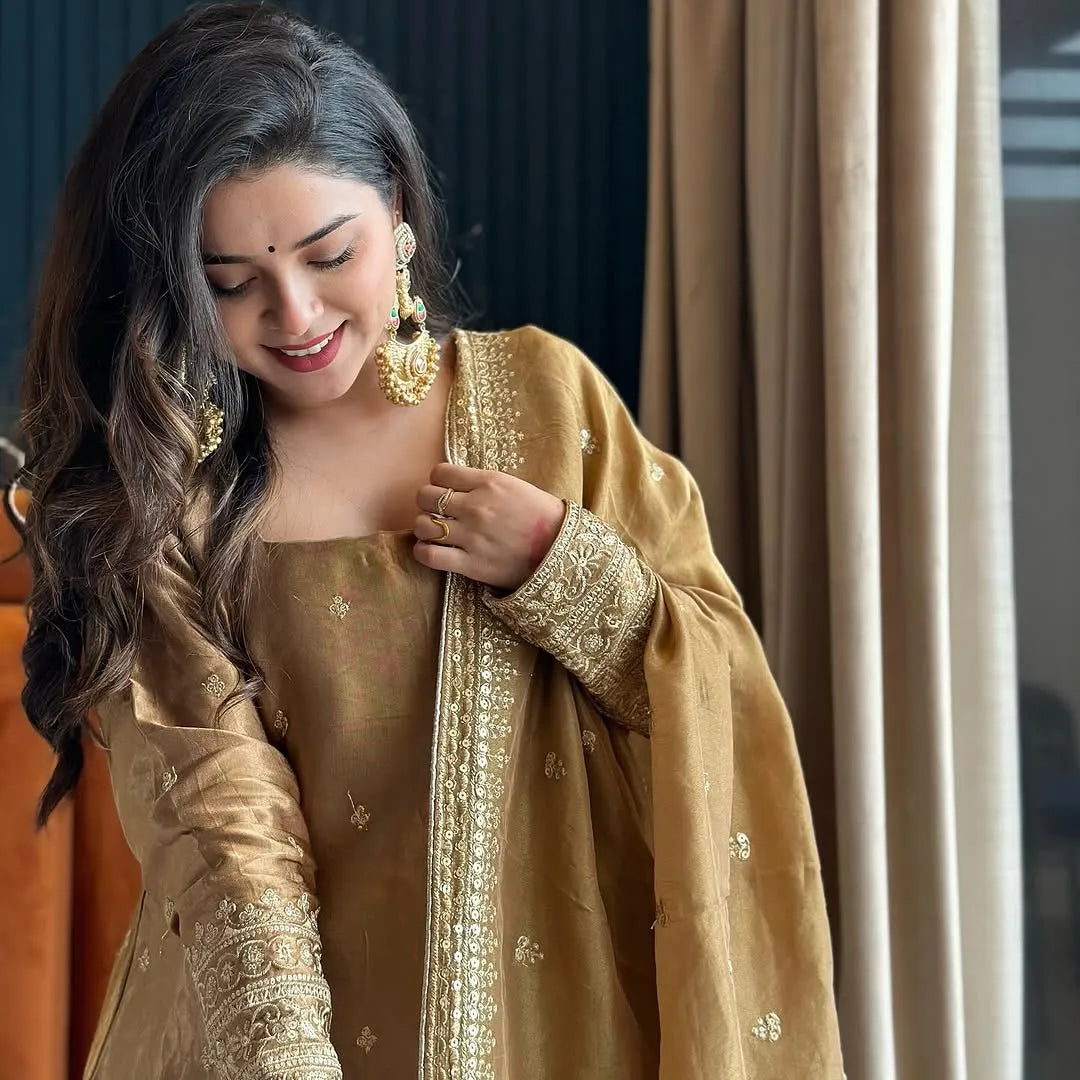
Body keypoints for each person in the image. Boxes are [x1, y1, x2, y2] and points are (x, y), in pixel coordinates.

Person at [15, 4, 843, 1078]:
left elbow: (718, 688)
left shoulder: (549, 399)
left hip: (558, 1020)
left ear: (396, 213)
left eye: (329, 254)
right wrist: (287, 1059)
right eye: (232, 283)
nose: (295, 312)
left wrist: (566, 567)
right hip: (264, 1022)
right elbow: (216, 818)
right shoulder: (174, 486)